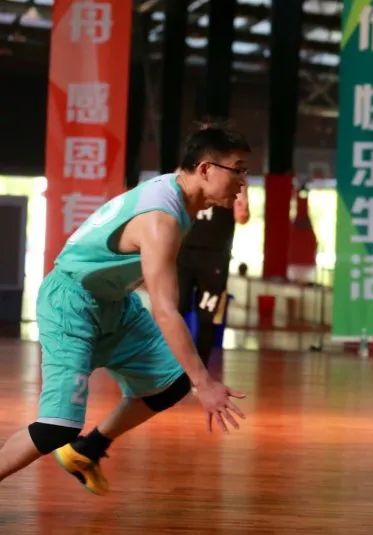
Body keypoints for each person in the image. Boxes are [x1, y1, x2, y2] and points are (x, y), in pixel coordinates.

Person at [0, 125, 249, 495]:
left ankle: (88, 449)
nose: (243, 182)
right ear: (205, 169)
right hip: (72, 303)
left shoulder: (179, 194)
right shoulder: (162, 218)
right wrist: (205, 383)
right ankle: (71, 443)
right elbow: (165, 311)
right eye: (238, 169)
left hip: (114, 303)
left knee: (170, 383)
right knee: (56, 428)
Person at [177, 142, 250, 365]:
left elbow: (242, 216)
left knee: (207, 316)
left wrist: (242, 204)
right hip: (184, 253)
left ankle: (199, 369)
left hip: (215, 257)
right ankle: (172, 368)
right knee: (174, 310)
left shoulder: (234, 180)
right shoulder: (184, 173)